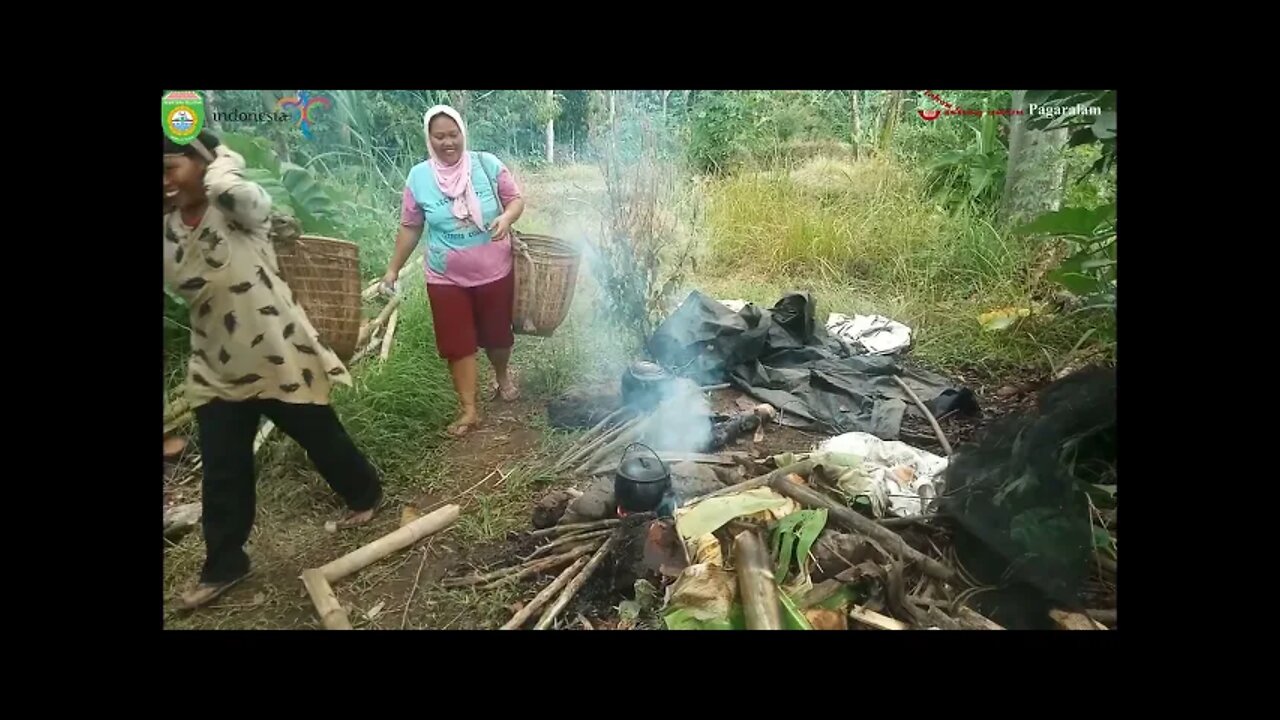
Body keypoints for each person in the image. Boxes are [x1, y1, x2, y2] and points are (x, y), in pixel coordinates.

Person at [164, 130, 383, 609]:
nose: (164, 182)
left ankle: (365, 495)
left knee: (320, 435)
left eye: (170, 168)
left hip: (278, 355)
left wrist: (221, 161)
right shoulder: (169, 226)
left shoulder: (236, 209)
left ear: (201, 164)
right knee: (224, 467)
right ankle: (225, 564)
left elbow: (253, 200)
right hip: (218, 367)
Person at [382, 105, 526, 437]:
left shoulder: (487, 165)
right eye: (439, 136)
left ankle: (502, 376)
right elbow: (410, 227)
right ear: (429, 139)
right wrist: (392, 269)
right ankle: (470, 410)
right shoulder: (419, 177)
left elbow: (514, 199)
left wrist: (505, 218)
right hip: (444, 275)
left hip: (495, 269)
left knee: (497, 336)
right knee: (457, 343)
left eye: (453, 134)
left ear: (463, 133)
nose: (448, 142)